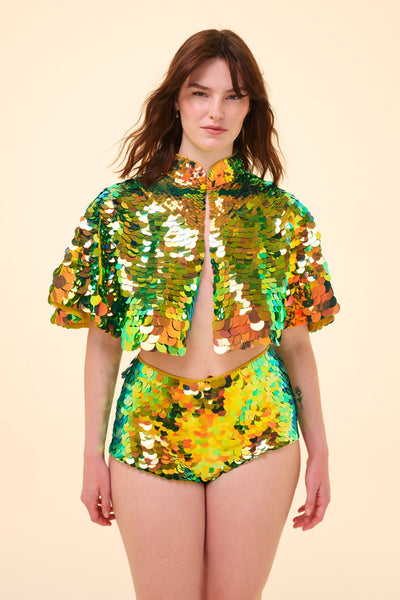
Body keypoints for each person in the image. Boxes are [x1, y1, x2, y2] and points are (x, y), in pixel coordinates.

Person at [48, 28, 340, 600]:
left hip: (258, 422)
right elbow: (103, 342)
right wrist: (91, 456)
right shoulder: (120, 210)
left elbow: (297, 344)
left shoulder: (282, 215)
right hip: (150, 421)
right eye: (200, 93)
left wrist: (321, 452)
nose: (216, 111)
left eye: (233, 96)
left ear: (250, 108)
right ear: (176, 101)